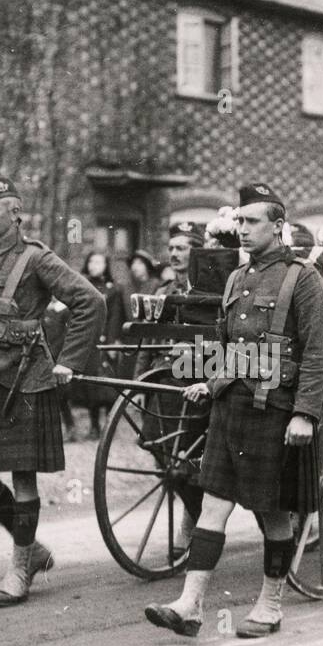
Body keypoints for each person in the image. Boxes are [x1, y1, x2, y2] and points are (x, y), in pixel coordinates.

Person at [145, 182, 323, 639]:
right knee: (212, 506)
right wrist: (209, 384)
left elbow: (317, 352)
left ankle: (270, 604)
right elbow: (230, 347)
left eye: (252, 222)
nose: (242, 230)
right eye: (240, 221)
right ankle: (190, 604)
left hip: (275, 408)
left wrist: (306, 413)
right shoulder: (235, 278)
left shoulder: (302, 278)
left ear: (278, 226)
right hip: (231, 409)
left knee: (271, 513)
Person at [0, 177, 104, 608]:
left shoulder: (36, 258)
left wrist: (68, 360)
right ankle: (31, 549)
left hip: (24, 381)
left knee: (23, 476)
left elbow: (90, 301)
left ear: (15, 214)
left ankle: (18, 568)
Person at [134, 221, 216, 557]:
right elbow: (147, 341)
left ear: (198, 253)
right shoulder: (163, 294)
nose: (174, 254)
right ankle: (193, 511)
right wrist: (139, 382)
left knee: (190, 462)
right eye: (171, 249)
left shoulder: (211, 293)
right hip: (164, 384)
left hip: (198, 380)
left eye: (182, 248)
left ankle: (193, 518)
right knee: (158, 450)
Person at [66, 251, 124, 438]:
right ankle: (94, 425)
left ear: (106, 265)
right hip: (88, 341)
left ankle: (109, 423)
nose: (94, 265)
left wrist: (112, 342)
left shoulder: (113, 289)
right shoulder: (82, 285)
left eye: (98, 262)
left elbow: (115, 317)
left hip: (105, 341)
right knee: (90, 385)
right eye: (91, 261)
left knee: (107, 386)